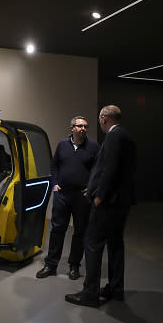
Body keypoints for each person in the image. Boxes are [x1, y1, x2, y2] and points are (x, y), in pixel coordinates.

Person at [65, 104, 136, 308]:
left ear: (104, 118)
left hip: (108, 203)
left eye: (97, 121)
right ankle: (115, 288)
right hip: (122, 202)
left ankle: (90, 293)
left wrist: (99, 196)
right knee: (115, 244)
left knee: (93, 243)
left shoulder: (113, 136)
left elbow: (110, 169)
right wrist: (95, 188)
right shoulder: (126, 137)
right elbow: (121, 171)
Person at [36, 116, 99, 280]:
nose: (83, 129)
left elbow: (98, 169)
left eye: (85, 126)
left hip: (81, 196)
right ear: (72, 128)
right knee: (57, 230)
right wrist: (54, 184)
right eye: (80, 126)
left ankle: (74, 266)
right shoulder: (63, 145)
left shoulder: (93, 146)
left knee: (80, 232)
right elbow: (54, 164)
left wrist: (91, 187)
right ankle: (51, 265)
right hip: (62, 194)